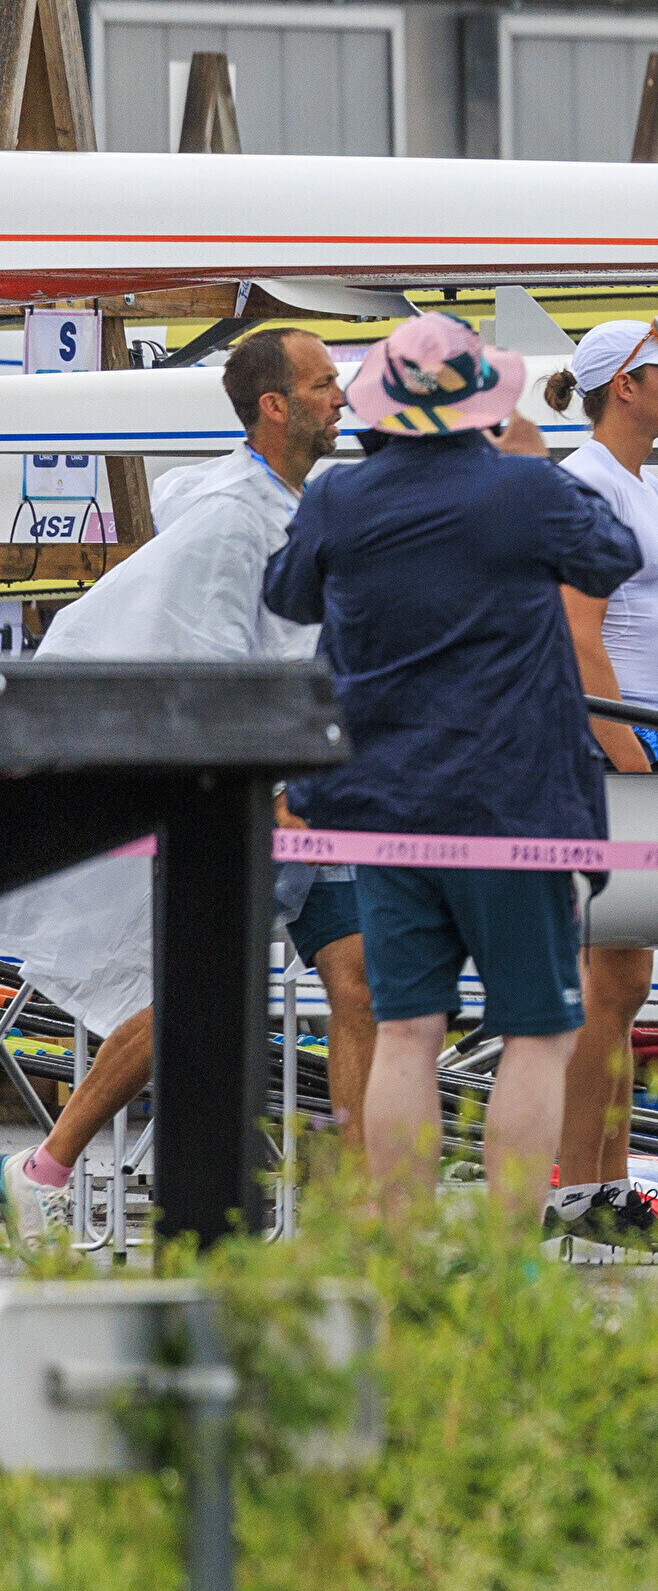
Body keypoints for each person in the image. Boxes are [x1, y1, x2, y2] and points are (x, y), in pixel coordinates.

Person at [261, 313, 642, 1225]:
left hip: (385, 808)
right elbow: (613, 556)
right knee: (538, 1032)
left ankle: (401, 1251)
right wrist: (537, 463)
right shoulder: (522, 488)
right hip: (516, 806)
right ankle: (506, 1256)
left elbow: (287, 593)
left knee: (405, 1030)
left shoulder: (340, 497)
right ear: (483, 402)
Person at [0, 331, 375, 1252]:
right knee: (191, 997)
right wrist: (264, 786)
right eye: (325, 383)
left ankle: (363, 1212)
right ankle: (45, 1166)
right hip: (253, 801)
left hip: (312, 792)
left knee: (362, 984)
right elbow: (211, 664)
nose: (341, 398)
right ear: (275, 406)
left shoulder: (289, 506)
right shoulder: (233, 520)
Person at [536, 320, 658, 1265]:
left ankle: (603, 1189)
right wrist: (634, 760)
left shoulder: (636, 484)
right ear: (624, 388)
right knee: (606, 984)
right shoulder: (590, 486)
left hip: (642, 737)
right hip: (609, 747)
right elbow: (579, 637)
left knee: (623, 981)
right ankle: (577, 1190)